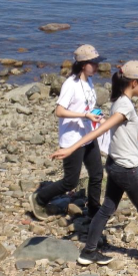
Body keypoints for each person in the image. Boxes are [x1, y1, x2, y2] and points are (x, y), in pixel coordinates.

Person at [51, 60, 138, 267]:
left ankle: (89, 251)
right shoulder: (124, 107)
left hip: (115, 164)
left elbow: (126, 134)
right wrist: (71, 149)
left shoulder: (119, 101)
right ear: (134, 83)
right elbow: (99, 131)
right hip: (126, 169)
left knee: (106, 209)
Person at [31, 44, 108, 221]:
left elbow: (88, 106)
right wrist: (85, 114)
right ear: (82, 64)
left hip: (88, 135)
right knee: (70, 182)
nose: (97, 66)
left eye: (97, 63)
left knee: (97, 174)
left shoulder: (88, 81)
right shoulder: (70, 84)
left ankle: (95, 211)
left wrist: (96, 116)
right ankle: (39, 198)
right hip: (72, 139)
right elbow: (59, 111)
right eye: (93, 63)